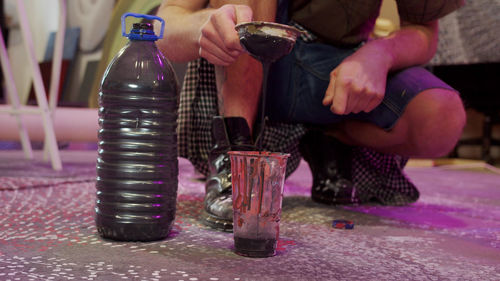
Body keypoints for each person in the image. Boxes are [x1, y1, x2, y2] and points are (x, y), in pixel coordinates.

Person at [156, 0, 466, 232]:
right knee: (246, 13)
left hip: (337, 65)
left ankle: (329, 138)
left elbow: (423, 31)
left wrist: (378, 55)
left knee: (441, 118)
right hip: (249, 72)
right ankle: (236, 158)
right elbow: (165, 24)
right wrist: (203, 29)